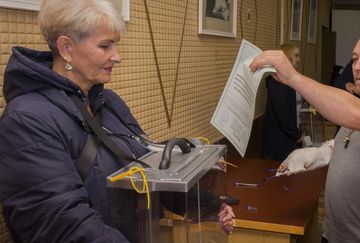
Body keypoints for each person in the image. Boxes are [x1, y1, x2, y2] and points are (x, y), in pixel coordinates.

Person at [0, 0, 234, 242]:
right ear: (66, 48)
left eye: (116, 45)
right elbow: (59, 223)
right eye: (105, 46)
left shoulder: (109, 101)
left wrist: (208, 207)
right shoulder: (26, 120)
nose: (117, 57)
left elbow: (146, 168)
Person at [250, 29, 360, 242]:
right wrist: (322, 152)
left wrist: (293, 77)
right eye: (355, 59)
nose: (357, 67)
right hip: (333, 236)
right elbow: (354, 140)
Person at [263, 44, 303, 161]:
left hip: (285, 140)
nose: (298, 59)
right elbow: (282, 112)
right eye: (296, 55)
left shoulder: (285, 78)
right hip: (279, 143)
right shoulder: (278, 80)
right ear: (287, 57)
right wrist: (295, 134)